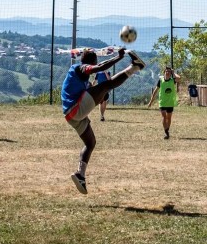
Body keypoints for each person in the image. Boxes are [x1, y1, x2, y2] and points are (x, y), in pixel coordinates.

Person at [61, 47, 145, 194]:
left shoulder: (81, 75)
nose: (97, 63)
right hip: (75, 109)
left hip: (71, 116)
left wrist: (100, 93)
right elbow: (99, 67)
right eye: (95, 61)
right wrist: (118, 58)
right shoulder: (80, 69)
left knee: (90, 143)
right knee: (107, 85)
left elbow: (98, 74)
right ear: (91, 62)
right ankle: (135, 66)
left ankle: (80, 175)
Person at [146, 66, 180, 139]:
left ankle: (167, 130)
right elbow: (155, 91)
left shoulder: (172, 80)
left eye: (169, 71)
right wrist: (151, 102)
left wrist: (173, 72)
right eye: (166, 71)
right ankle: (166, 132)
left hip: (170, 102)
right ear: (164, 72)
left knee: (169, 117)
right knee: (164, 117)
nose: (167, 72)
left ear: (170, 73)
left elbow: (179, 78)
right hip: (162, 102)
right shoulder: (161, 80)